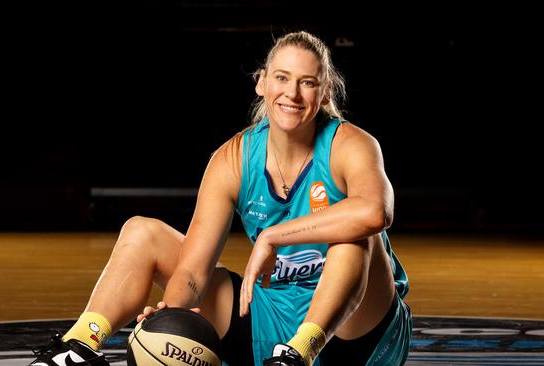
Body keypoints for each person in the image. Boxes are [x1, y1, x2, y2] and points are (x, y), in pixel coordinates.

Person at [30, 30, 412, 366]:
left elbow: (376, 211)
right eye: (281, 78)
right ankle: (77, 346)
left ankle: (301, 352)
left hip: (357, 330)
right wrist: (172, 320)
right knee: (142, 232)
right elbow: (193, 271)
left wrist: (273, 236)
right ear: (262, 83)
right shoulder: (233, 158)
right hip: (267, 318)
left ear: (325, 91)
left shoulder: (351, 144)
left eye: (307, 82)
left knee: (354, 232)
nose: (292, 93)